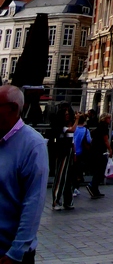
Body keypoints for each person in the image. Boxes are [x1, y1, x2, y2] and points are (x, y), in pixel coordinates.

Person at [0, 84, 49, 263]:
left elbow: (33, 203)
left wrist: (16, 252)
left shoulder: (33, 145)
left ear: (13, 108)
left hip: (10, 254)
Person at [49, 103, 77, 211]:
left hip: (68, 151)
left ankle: (68, 201)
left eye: (68, 113)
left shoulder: (67, 125)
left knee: (68, 177)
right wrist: (77, 120)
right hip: (62, 151)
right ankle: (56, 201)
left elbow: (72, 140)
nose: (67, 115)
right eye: (65, 114)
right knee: (60, 176)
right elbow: (72, 131)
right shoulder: (60, 126)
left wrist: (74, 153)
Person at [87, 114, 113, 199]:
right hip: (100, 150)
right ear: (104, 119)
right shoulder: (104, 127)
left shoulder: (99, 126)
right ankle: (92, 185)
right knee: (100, 170)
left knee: (98, 170)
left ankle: (95, 189)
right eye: (108, 118)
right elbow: (105, 140)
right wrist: (110, 149)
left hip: (95, 149)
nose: (110, 120)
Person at [72, 114, 91, 192]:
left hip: (72, 152)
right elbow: (89, 140)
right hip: (80, 152)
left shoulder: (73, 129)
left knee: (72, 169)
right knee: (78, 170)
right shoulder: (86, 130)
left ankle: (71, 186)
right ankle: (76, 187)